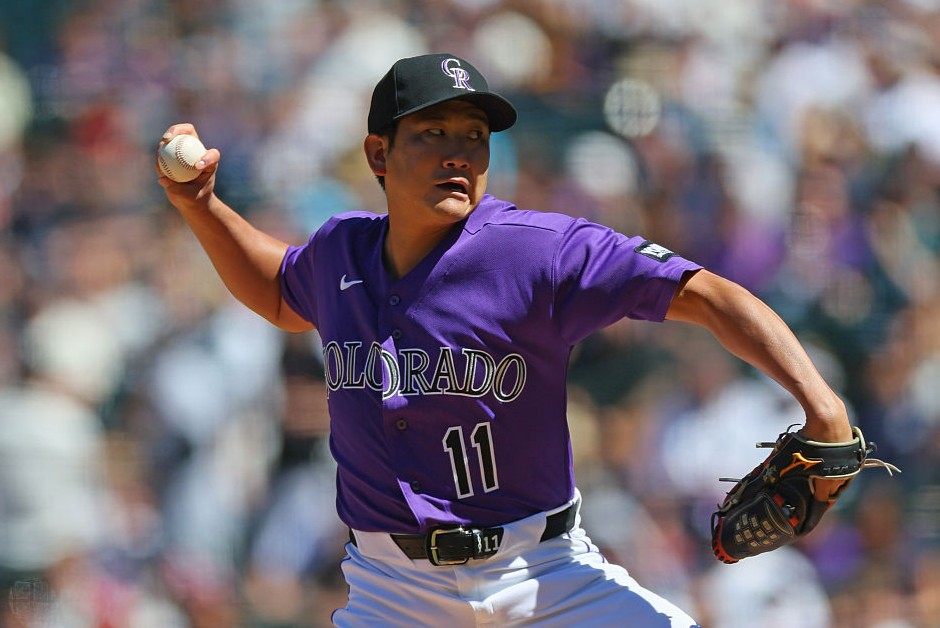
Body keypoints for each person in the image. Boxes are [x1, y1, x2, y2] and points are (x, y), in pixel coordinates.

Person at [157, 53, 854, 626]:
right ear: (379, 152)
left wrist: (821, 404)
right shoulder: (343, 249)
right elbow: (280, 290)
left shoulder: (537, 251)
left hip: (543, 576)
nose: (458, 154)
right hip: (390, 592)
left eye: (473, 137)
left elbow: (706, 294)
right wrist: (202, 205)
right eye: (433, 133)